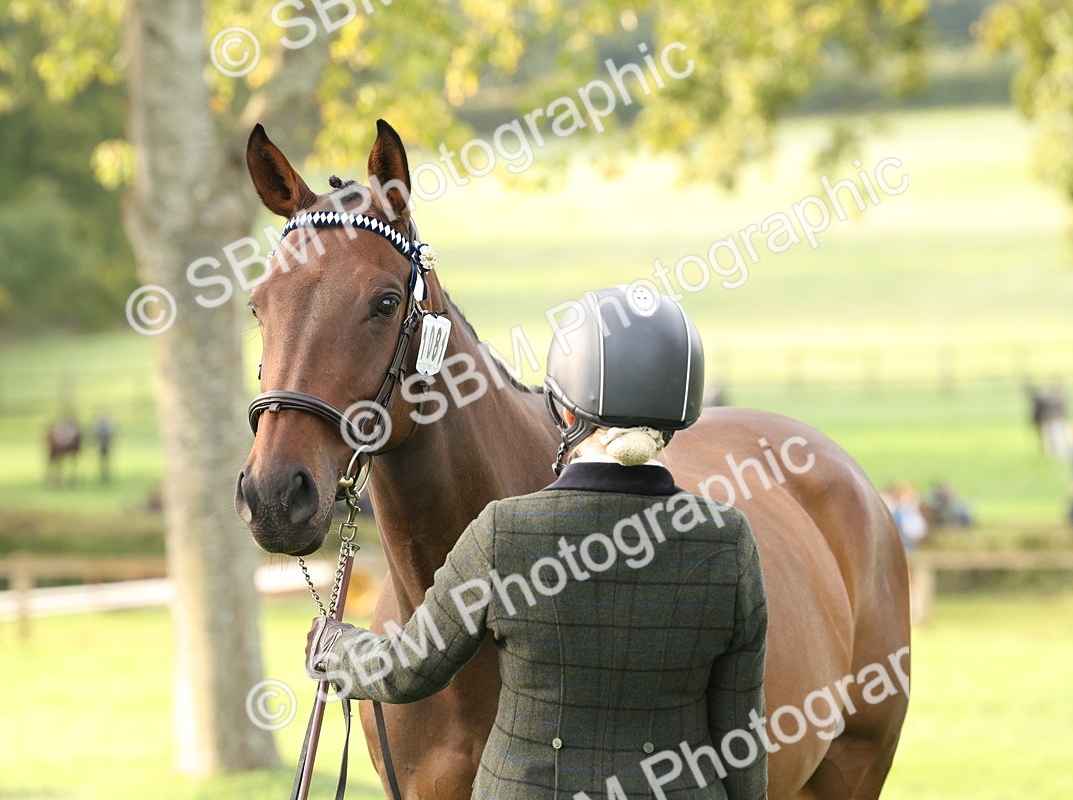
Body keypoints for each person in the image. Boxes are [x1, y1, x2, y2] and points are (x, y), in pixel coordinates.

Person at [306, 286, 768, 799]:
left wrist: (337, 649)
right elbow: (740, 738)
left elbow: (411, 667)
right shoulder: (728, 543)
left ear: (564, 412)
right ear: (679, 418)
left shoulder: (504, 532)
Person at [94, 412, 116, 484]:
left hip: (106, 447)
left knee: (106, 462)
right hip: (103, 447)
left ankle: (106, 475)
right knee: (103, 462)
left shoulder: (105, 429)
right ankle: (103, 475)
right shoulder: (102, 429)